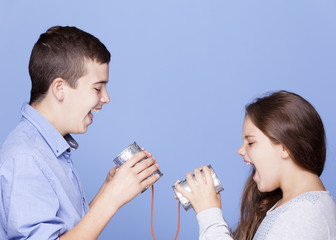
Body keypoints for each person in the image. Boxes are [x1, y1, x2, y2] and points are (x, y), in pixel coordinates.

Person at [0, 26, 160, 239]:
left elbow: (69, 232)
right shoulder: (25, 158)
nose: (106, 98)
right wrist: (111, 199)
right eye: (97, 88)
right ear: (60, 88)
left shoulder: (48, 149)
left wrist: (107, 189)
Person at [174, 90, 336, 240]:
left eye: (251, 142)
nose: (240, 150)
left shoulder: (304, 215)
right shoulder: (295, 207)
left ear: (285, 147)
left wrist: (208, 213)